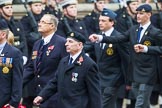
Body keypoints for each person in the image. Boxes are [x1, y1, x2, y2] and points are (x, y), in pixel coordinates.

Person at [89, 4, 162, 108]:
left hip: (148, 72)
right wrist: (101, 38)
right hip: (135, 72)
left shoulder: (155, 32)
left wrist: (147, 49)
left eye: (141, 13)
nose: (138, 16)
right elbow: (118, 39)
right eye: (137, 13)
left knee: (140, 103)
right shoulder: (133, 30)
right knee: (142, 102)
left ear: (149, 15)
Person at [33, 31, 102, 108]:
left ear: (80, 45)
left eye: (70, 42)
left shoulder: (88, 64)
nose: (66, 44)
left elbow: (95, 93)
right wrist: (42, 96)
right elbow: (55, 82)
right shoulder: (64, 61)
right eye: (66, 41)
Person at [87, 8, 129, 108]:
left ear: (112, 22)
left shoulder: (118, 38)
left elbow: (126, 59)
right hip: (99, 79)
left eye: (103, 21)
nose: (100, 23)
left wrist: (128, 80)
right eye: (99, 20)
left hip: (113, 80)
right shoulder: (98, 36)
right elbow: (87, 47)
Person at [23, 14, 67, 108]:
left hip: (55, 95)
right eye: (40, 22)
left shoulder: (61, 43)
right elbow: (31, 68)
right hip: (39, 94)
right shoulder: (37, 44)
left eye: (43, 22)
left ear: (52, 26)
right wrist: (17, 83)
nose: (39, 24)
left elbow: (65, 69)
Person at [0, 19, 23, 108]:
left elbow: (17, 79)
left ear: (3, 34)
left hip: (4, 100)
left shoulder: (14, 53)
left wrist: (14, 102)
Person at [0, 0, 28, 65]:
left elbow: (23, 40)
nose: (10, 9)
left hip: (19, 55)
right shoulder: (1, 24)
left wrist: (25, 56)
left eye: (11, 7)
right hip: (5, 58)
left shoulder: (17, 23)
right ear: (1, 10)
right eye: (7, 8)